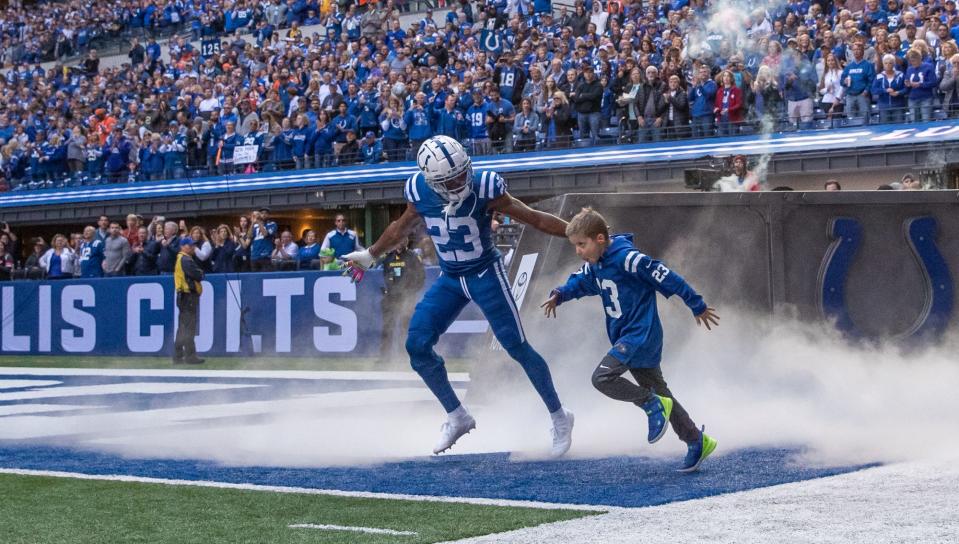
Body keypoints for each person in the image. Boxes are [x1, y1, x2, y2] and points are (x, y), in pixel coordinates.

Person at [343, 135, 575, 457]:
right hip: (450, 277)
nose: (459, 181)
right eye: (449, 179)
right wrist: (371, 254)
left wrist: (575, 233)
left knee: (516, 346)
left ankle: (560, 417)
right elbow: (400, 227)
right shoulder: (419, 190)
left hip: (485, 273)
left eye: (462, 172)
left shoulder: (486, 186)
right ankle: (457, 415)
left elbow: (532, 217)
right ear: (431, 181)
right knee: (416, 344)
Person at [541, 207, 720, 472]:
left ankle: (649, 403)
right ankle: (696, 440)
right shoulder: (596, 264)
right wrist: (560, 294)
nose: (578, 251)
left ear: (600, 239)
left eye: (582, 244)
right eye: (575, 246)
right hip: (628, 336)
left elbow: (667, 277)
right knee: (661, 392)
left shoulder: (628, 259)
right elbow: (580, 282)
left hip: (640, 335)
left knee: (602, 378)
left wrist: (697, 304)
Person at [380, 236, 426, 364]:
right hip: (391, 298)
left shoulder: (413, 258)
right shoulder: (388, 258)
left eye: (401, 240)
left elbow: (421, 277)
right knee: (387, 328)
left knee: (405, 329)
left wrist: (411, 292)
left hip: (407, 298)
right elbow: (386, 275)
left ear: (406, 241)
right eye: (397, 241)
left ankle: (404, 357)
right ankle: (385, 358)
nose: (399, 243)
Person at [173, 236, 205, 364]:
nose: (191, 247)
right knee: (188, 328)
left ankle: (178, 356)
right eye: (189, 245)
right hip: (188, 296)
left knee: (183, 327)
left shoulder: (181, 258)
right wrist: (201, 273)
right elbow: (198, 275)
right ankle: (190, 356)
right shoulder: (186, 259)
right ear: (182, 246)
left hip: (184, 296)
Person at [250, 207, 277, 271]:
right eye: (262, 213)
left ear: (268, 215)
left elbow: (265, 234)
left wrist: (259, 221)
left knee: (265, 277)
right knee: (255, 279)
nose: (264, 215)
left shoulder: (272, 224)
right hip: (254, 256)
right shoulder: (255, 226)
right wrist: (253, 223)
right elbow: (249, 236)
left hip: (265, 256)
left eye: (266, 213)